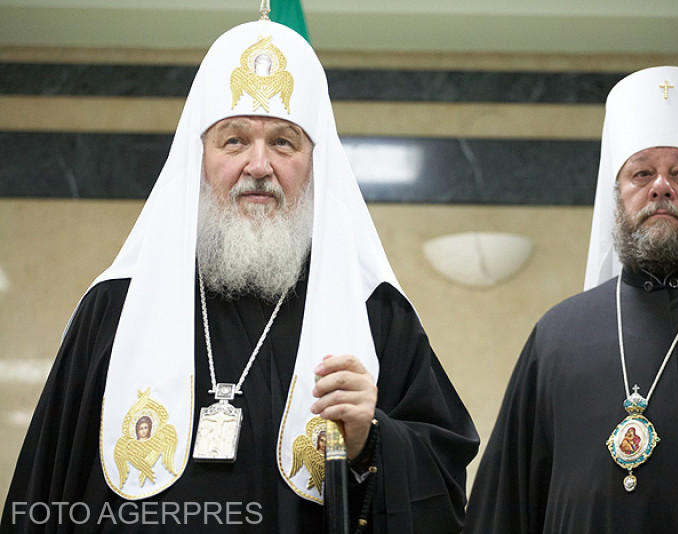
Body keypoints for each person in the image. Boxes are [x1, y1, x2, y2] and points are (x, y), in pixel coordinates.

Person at [2, 15, 478, 533]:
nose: (258, 165)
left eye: (284, 142)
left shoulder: (373, 311)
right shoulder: (115, 307)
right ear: (199, 159)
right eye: (233, 141)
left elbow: (443, 486)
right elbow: (46, 488)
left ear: (315, 165)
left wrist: (371, 441)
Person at [465, 66, 678, 533]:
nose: (661, 186)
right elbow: (503, 508)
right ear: (617, 201)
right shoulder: (556, 337)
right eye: (641, 173)